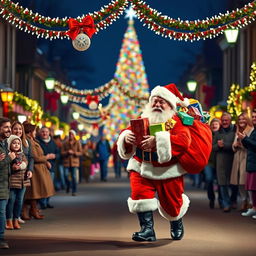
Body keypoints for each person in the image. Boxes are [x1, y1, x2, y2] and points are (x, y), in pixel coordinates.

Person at [117, 83, 210, 242]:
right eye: (155, 101)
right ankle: (147, 230)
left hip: (168, 170)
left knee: (172, 206)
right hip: (141, 166)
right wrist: (126, 137)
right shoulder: (142, 117)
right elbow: (127, 132)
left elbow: (183, 141)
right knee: (140, 196)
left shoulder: (176, 122)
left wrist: (158, 141)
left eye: (162, 101)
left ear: (170, 105)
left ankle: (176, 222)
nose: (158, 104)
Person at [22, 122, 55, 219]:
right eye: (35, 130)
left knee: (36, 192)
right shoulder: (28, 141)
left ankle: (33, 209)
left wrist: (45, 161)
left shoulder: (33, 140)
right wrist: (46, 158)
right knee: (33, 192)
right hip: (35, 170)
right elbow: (35, 157)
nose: (36, 132)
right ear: (30, 131)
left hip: (39, 169)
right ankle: (30, 211)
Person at [213, 112, 237, 212]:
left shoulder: (235, 131)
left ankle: (233, 200)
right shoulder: (218, 132)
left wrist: (225, 145)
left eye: (226, 120)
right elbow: (212, 147)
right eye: (223, 120)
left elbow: (235, 145)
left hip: (233, 160)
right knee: (222, 184)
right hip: (221, 161)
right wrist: (218, 146)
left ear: (230, 120)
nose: (224, 122)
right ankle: (226, 204)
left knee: (233, 183)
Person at [11, 121, 34, 224]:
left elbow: (31, 157)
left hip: (23, 175)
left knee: (20, 199)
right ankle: (10, 218)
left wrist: (30, 170)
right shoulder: (8, 141)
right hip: (12, 175)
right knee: (12, 199)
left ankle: (17, 216)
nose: (18, 131)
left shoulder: (26, 142)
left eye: (20, 129)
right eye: (15, 128)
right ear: (12, 130)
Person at [230, 113, 253, 212]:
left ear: (247, 120)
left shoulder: (251, 130)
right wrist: (235, 145)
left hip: (246, 157)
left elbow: (251, 146)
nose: (241, 121)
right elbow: (233, 145)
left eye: (243, 119)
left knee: (246, 181)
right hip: (237, 157)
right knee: (239, 181)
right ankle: (244, 200)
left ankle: (251, 202)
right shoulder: (237, 130)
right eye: (240, 119)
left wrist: (241, 144)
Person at [5, 135, 29, 230]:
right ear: (9, 144)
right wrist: (13, 167)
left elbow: (25, 163)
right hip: (13, 182)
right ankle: (9, 220)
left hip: (22, 181)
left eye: (18, 143)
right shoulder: (9, 155)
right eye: (14, 143)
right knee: (11, 201)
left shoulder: (21, 154)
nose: (16, 145)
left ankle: (16, 219)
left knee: (19, 201)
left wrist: (21, 166)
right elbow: (6, 166)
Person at [0, 117, 16, 249]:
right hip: (1, 185)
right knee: (1, 213)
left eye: (9, 127)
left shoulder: (4, 144)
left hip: (4, 184)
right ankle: (0, 239)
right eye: (6, 127)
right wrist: (8, 159)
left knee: (2, 212)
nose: (9, 129)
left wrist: (12, 166)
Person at [239, 110, 256, 218]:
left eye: (255, 117)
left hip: (254, 163)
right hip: (251, 162)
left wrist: (245, 139)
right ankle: (254, 208)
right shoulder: (254, 131)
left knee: (255, 188)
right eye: (253, 117)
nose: (254, 118)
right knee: (251, 188)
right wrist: (244, 139)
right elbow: (249, 146)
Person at [37, 127, 59, 209]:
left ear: (49, 133)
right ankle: (43, 203)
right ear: (40, 133)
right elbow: (37, 155)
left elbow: (58, 154)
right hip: (42, 167)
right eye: (43, 132)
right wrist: (46, 158)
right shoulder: (38, 142)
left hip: (52, 167)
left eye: (46, 132)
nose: (45, 133)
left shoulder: (53, 142)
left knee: (50, 186)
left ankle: (47, 201)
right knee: (43, 185)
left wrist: (55, 156)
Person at [204, 118, 222, 209]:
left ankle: (221, 200)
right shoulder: (207, 135)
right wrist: (216, 146)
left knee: (220, 182)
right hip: (209, 162)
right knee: (209, 179)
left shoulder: (223, 135)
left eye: (216, 124)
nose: (214, 126)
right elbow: (207, 148)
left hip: (220, 163)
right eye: (213, 124)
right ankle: (211, 198)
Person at [61, 130, 82, 196]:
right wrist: (67, 152)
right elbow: (61, 152)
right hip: (66, 162)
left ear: (74, 135)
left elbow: (81, 152)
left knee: (74, 176)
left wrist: (74, 153)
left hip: (74, 162)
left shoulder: (77, 142)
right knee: (66, 175)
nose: (71, 136)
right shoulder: (64, 143)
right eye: (70, 134)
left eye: (72, 134)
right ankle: (68, 185)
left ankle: (74, 190)